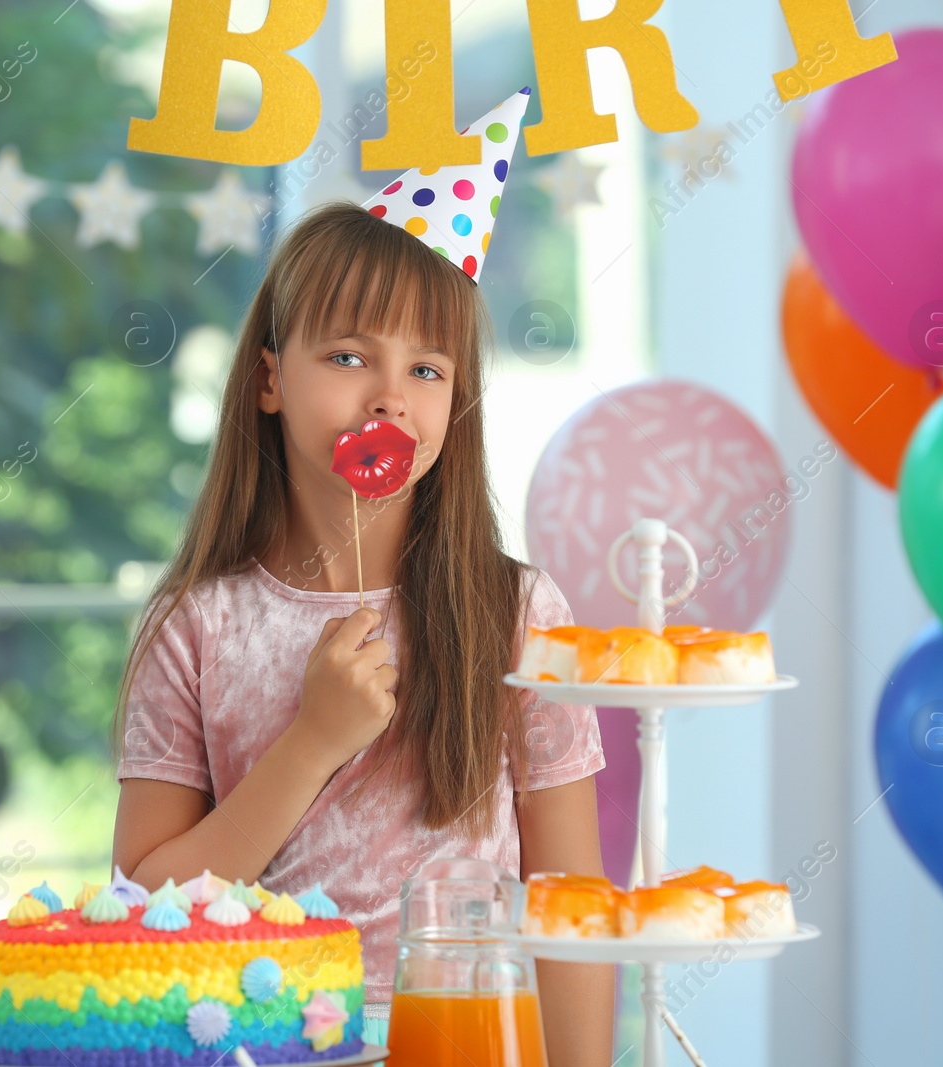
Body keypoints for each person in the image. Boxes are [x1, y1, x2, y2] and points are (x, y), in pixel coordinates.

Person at [110, 197, 614, 1065]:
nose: (389, 394)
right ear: (269, 379)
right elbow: (140, 908)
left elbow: (569, 905)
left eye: (427, 369)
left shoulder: (521, 616)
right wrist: (311, 744)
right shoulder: (196, 626)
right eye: (349, 356)